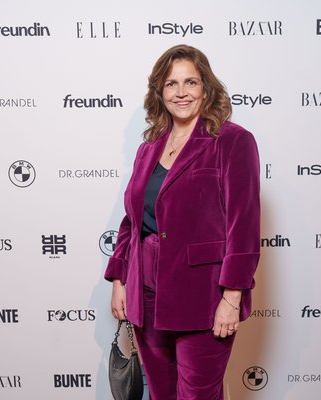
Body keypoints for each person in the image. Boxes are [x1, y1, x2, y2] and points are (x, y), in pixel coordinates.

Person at [105, 44, 260, 399]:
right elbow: (133, 220)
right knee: (161, 394)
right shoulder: (149, 147)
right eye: (171, 84)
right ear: (160, 92)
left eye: (190, 82)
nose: (181, 92)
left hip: (203, 296)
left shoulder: (232, 141)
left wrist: (232, 297)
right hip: (146, 294)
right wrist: (119, 278)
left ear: (206, 87)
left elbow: (244, 227)